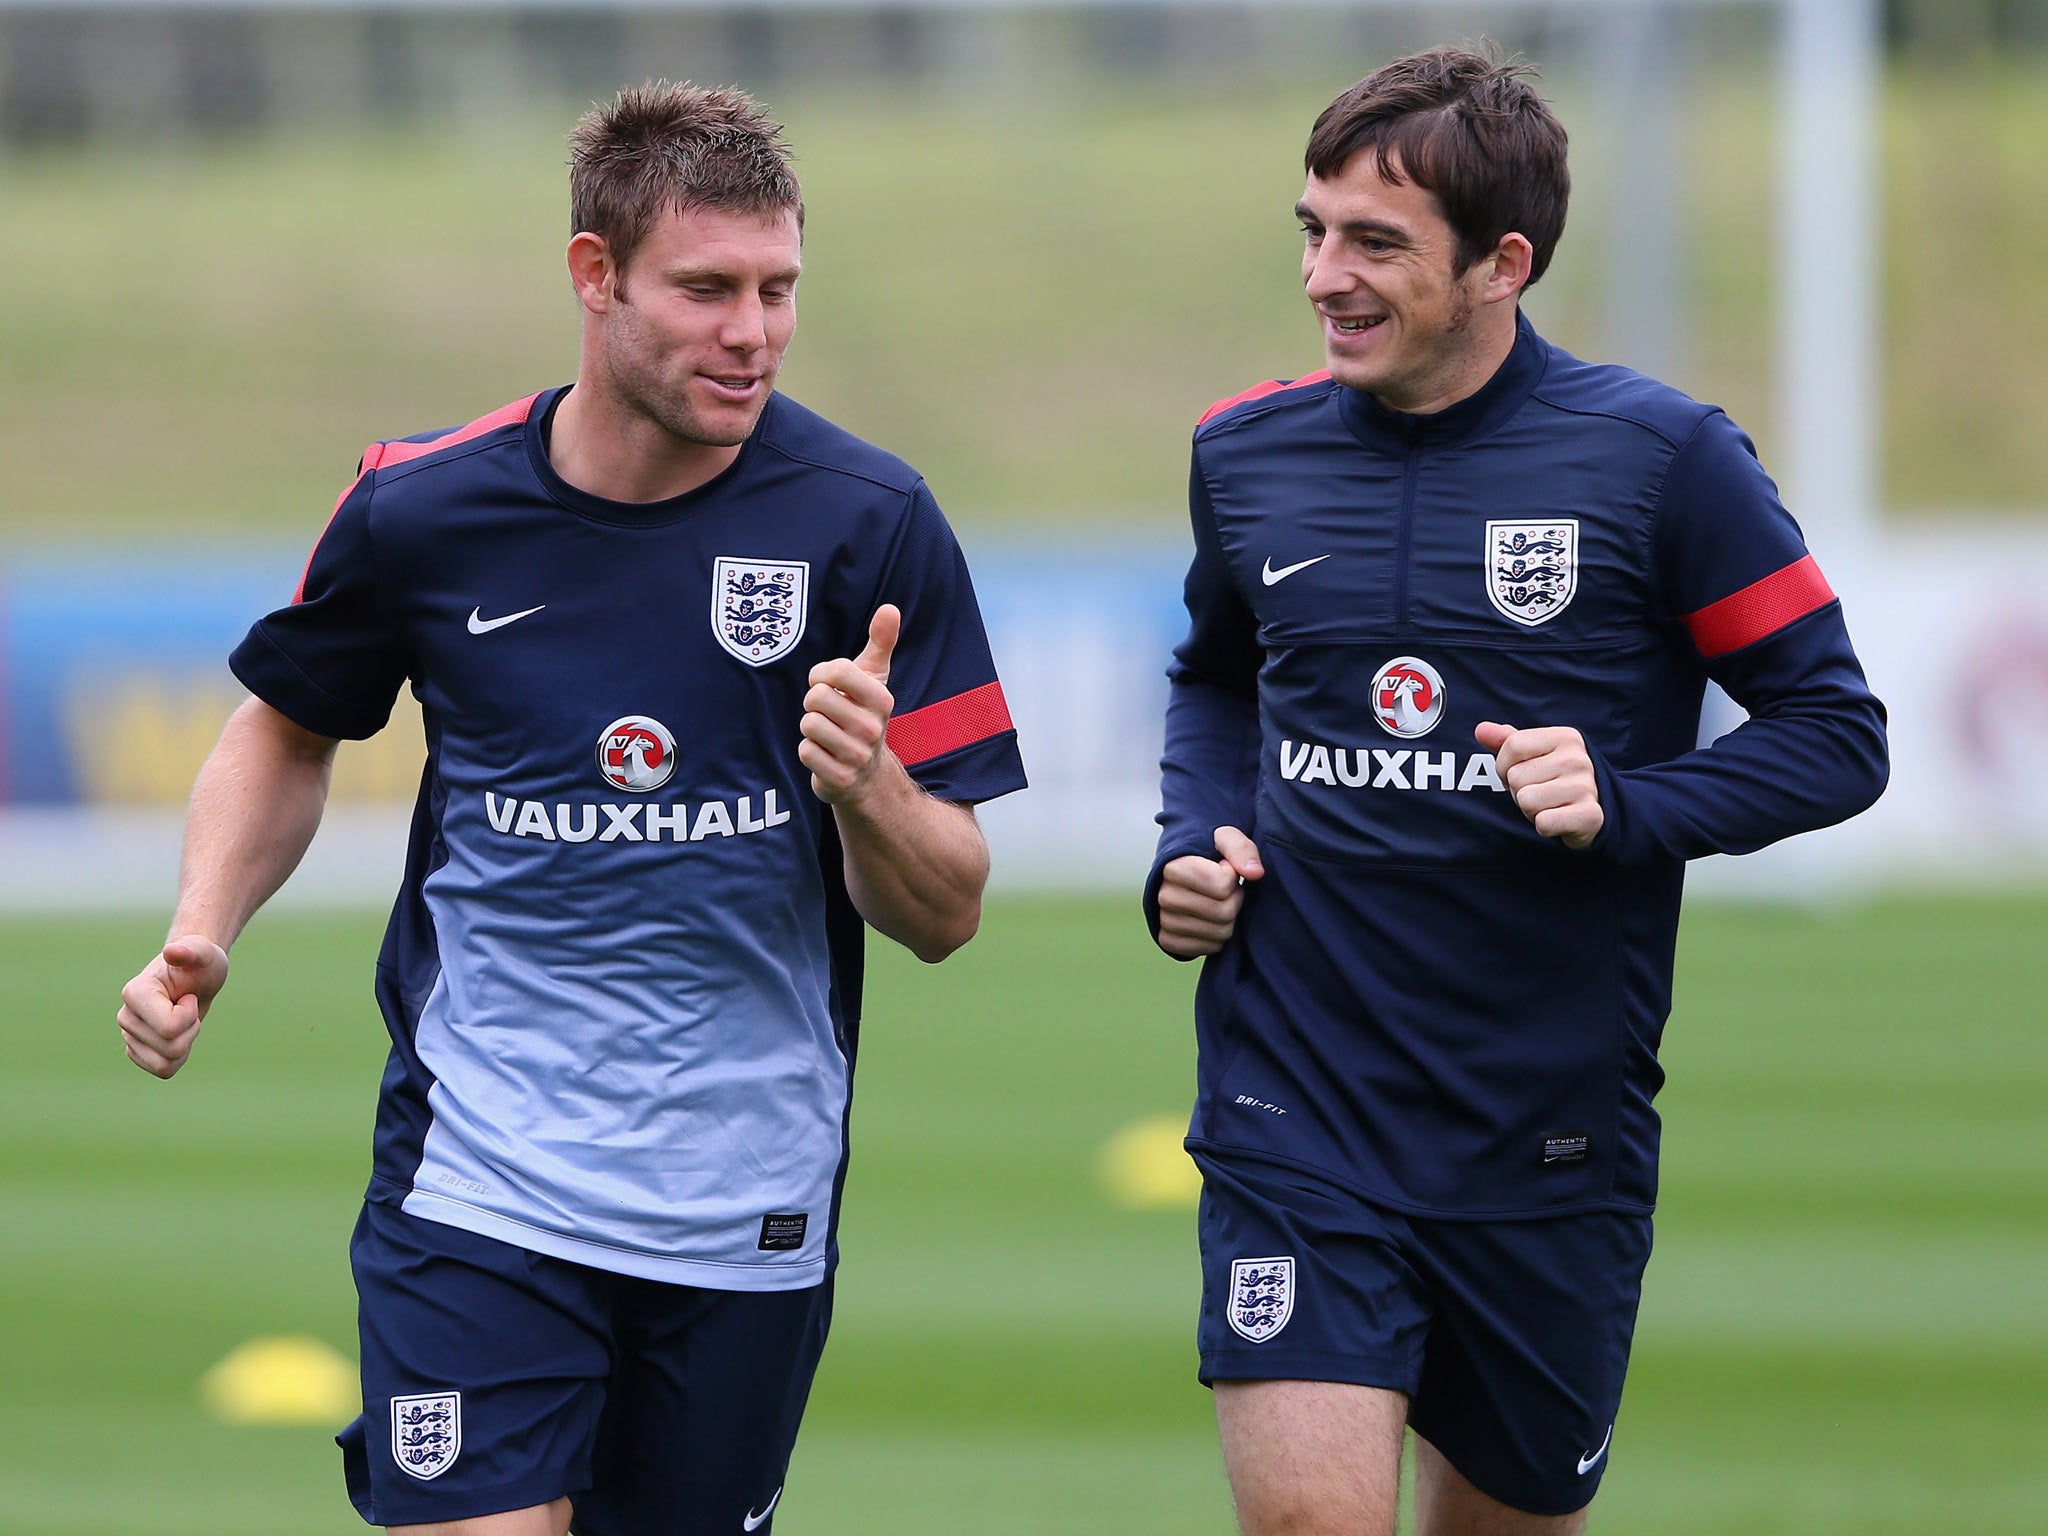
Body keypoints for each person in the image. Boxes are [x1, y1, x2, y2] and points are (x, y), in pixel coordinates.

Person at [116, 82, 1025, 1536]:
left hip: (746, 1210)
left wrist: (872, 788)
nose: (753, 333)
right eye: (708, 289)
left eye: (779, 289)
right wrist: (201, 927)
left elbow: (949, 911)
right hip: (477, 1187)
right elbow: (286, 726)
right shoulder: (423, 508)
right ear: (594, 279)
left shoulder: (869, 519)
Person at [1145, 48, 1887, 1536]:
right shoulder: (1245, 453)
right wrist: (1192, 835)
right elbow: (1216, 677)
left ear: (1504, 264)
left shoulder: (1663, 460)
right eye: (1311, 230)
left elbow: (1836, 732)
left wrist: (1627, 802)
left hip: (1546, 1136)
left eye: (1374, 245)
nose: (1324, 278)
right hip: (1298, 1105)